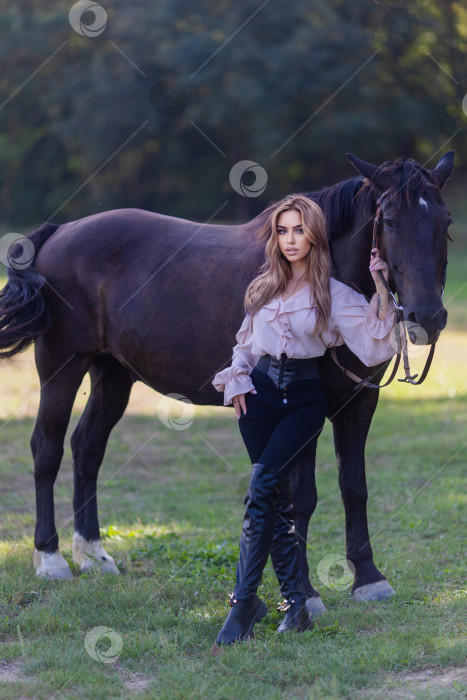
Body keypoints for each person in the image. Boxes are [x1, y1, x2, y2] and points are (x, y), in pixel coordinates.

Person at [212, 194, 397, 646]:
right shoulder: (264, 286)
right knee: (272, 499)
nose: (290, 239)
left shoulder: (332, 294)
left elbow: (376, 342)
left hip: (302, 399)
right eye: (283, 230)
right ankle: (296, 606)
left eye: (299, 230)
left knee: (260, 491)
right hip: (257, 398)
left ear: (314, 235)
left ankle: (244, 604)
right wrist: (236, 377)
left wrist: (381, 285)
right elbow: (247, 345)